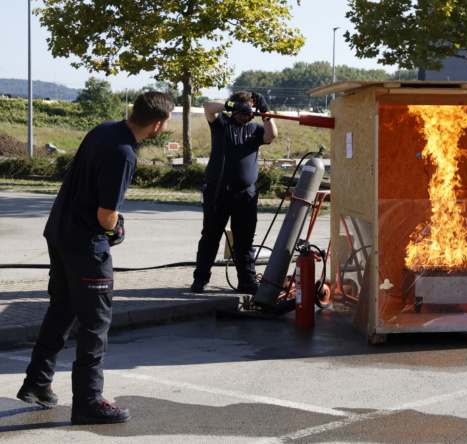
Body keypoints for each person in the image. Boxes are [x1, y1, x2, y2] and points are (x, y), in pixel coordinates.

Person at [17, 92, 175, 425]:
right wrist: (117, 230)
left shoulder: (104, 129)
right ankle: (88, 401)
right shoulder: (124, 153)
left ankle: (38, 382)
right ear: (158, 124)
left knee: (62, 309)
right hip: (86, 246)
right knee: (95, 324)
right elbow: (106, 214)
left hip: (59, 232)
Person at [190, 91, 277, 294]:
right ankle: (200, 279)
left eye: (251, 109)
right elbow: (208, 106)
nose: (249, 113)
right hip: (217, 192)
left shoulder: (255, 129)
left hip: (245, 195)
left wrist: (265, 112)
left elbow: (271, 135)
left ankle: (246, 282)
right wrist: (231, 106)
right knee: (210, 237)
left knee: (244, 240)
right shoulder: (221, 123)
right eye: (245, 108)